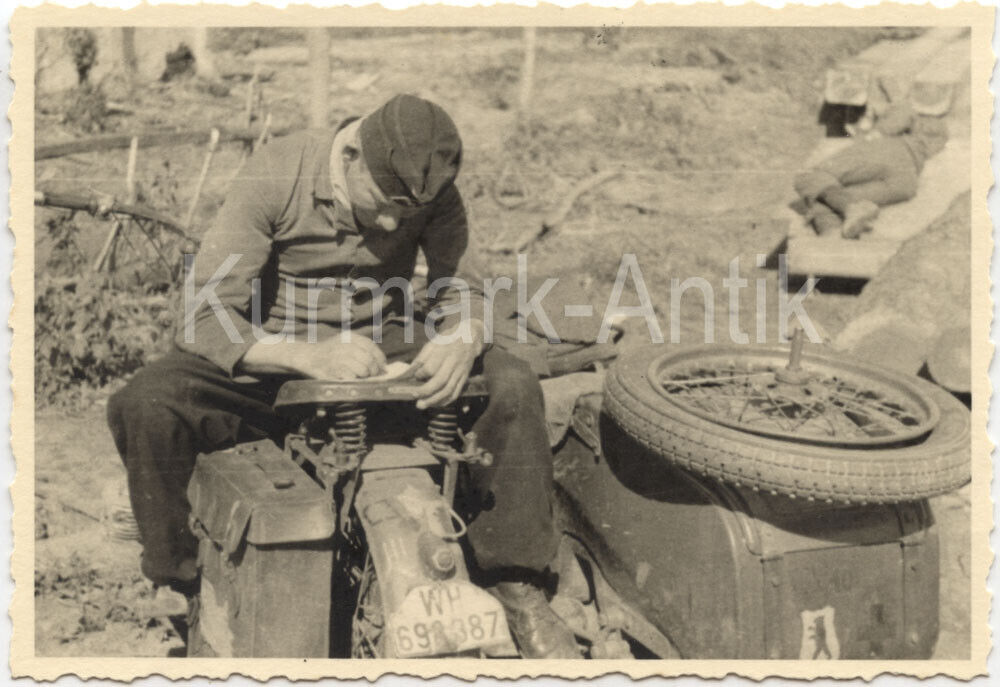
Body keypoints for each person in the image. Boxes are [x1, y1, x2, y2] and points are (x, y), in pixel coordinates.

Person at [107, 93, 577, 658]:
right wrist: (305, 355)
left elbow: (464, 288)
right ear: (350, 154)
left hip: (385, 338)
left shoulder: (430, 192)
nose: (389, 223)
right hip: (276, 350)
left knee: (511, 381)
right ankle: (185, 584)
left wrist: (461, 336)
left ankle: (515, 582)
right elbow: (202, 314)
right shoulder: (279, 172)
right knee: (150, 400)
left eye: (405, 214)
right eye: (382, 205)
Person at [794, 99, 948, 239]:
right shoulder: (939, 132)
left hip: (889, 152)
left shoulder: (912, 114)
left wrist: (875, 132)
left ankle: (849, 210)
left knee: (809, 176)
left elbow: (903, 111)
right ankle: (834, 236)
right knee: (826, 197)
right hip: (906, 182)